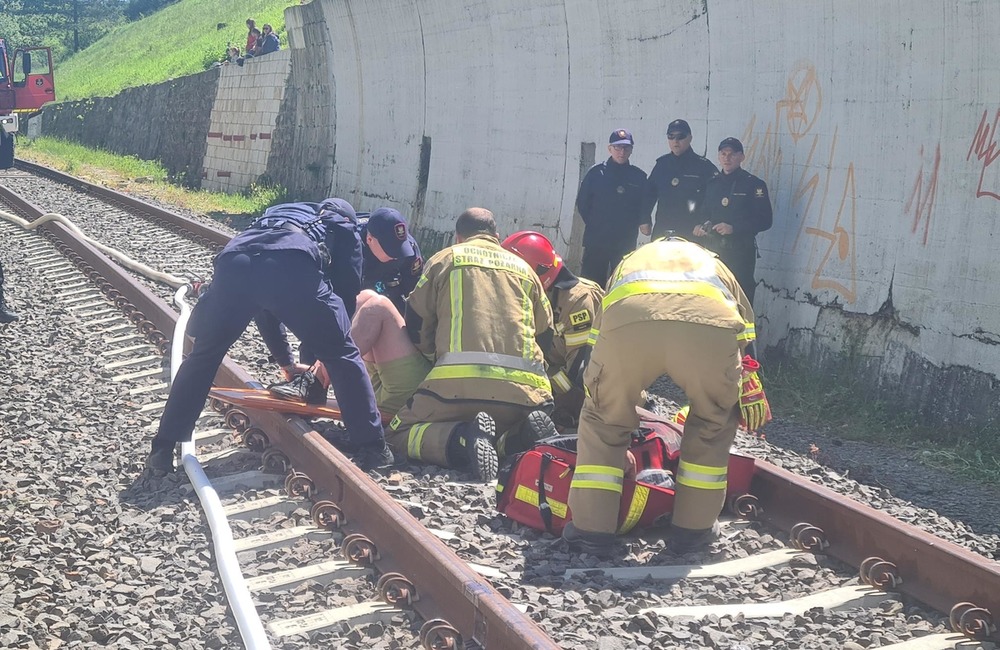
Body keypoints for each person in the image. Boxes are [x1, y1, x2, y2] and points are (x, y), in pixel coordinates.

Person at [145, 199, 393, 474]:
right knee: (344, 353)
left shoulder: (277, 214)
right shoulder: (343, 225)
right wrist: (329, 347)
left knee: (203, 356)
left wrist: (286, 363)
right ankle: (373, 448)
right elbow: (345, 296)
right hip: (290, 264)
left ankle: (162, 448)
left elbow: (264, 305)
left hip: (234, 261)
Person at [561, 237, 760, 555]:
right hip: (709, 328)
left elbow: (597, 337)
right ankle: (693, 530)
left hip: (631, 324)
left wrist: (605, 392)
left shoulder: (630, 262)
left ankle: (591, 532)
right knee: (712, 422)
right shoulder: (716, 266)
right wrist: (743, 388)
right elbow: (746, 337)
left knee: (604, 420)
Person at [386, 208, 556, 481]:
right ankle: (516, 437)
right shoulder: (525, 270)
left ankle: (462, 439)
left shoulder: (445, 259)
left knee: (398, 433)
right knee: (501, 426)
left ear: (458, 237)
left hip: (454, 388)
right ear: (496, 237)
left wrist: (430, 355)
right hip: (527, 395)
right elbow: (545, 332)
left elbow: (416, 321)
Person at [501, 231, 603, 429]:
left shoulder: (577, 301)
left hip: (589, 378)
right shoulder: (533, 294)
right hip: (555, 368)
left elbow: (579, 368)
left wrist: (540, 394)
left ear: (536, 275)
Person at [695, 137, 773, 303]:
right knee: (714, 296)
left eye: (732, 154)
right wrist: (704, 224)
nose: (727, 158)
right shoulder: (712, 183)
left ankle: (744, 329)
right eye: (723, 154)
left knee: (740, 296)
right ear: (719, 156)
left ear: (741, 157)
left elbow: (765, 220)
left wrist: (734, 228)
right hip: (714, 250)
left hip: (740, 252)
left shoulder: (753, 184)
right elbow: (704, 212)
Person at [576, 129, 648, 288]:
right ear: (609, 149)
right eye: (617, 147)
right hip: (597, 239)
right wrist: (596, 223)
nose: (621, 152)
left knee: (620, 283)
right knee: (590, 284)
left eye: (626, 148)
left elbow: (643, 206)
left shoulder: (639, 177)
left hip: (624, 241)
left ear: (631, 150)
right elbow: (583, 203)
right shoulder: (596, 173)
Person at [641, 119, 718, 239]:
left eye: (680, 136)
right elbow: (648, 194)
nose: (675, 141)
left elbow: (715, 199)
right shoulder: (662, 165)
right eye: (671, 136)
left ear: (690, 138)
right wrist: (644, 219)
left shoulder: (704, 167)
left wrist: (705, 222)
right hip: (663, 231)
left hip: (692, 232)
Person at [358, 207, 423, 315]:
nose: (397, 255)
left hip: (389, 299)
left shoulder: (410, 251)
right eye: (391, 250)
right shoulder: (351, 244)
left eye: (400, 248)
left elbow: (415, 295)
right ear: (369, 239)